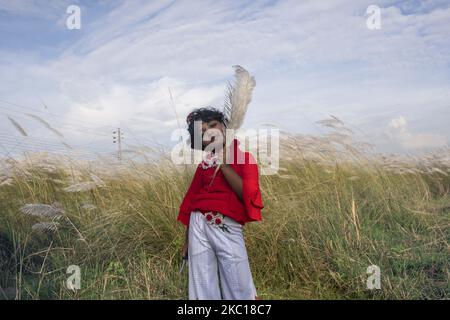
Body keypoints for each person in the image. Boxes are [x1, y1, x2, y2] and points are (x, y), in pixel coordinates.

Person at [177, 107, 264, 300]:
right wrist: (187, 241)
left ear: (224, 127)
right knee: (202, 279)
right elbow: (192, 200)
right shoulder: (203, 166)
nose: (211, 133)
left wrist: (224, 165)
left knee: (238, 278)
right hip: (198, 223)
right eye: (203, 133)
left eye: (213, 125)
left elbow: (246, 193)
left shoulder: (244, 159)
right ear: (202, 143)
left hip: (225, 223)